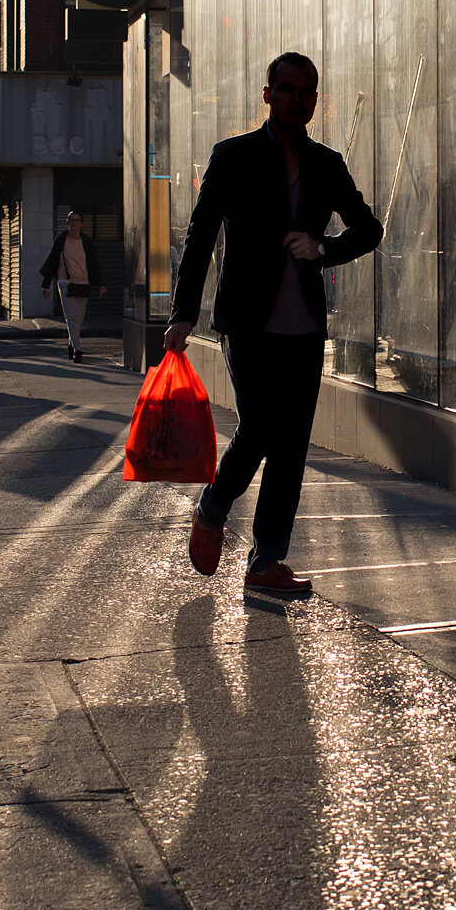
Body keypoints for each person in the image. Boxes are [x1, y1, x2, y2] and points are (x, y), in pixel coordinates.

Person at [164, 50, 382, 596]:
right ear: (267, 94)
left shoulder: (327, 164)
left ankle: (266, 562)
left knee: (291, 446)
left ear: (315, 99)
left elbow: (368, 229)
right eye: (286, 89)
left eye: (306, 92)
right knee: (260, 427)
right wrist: (182, 314)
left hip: (305, 328)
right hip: (248, 321)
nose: (296, 99)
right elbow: (200, 236)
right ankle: (214, 507)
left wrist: (323, 247)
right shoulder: (232, 156)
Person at [38, 211, 105, 363]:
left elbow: (94, 264)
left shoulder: (86, 242)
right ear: (67, 223)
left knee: (79, 319)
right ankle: (78, 350)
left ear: (81, 223)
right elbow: (52, 262)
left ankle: (71, 344)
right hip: (65, 283)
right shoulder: (61, 241)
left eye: (77, 220)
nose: (74, 224)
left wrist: (101, 283)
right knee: (71, 318)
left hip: (83, 283)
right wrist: (46, 286)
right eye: (71, 220)